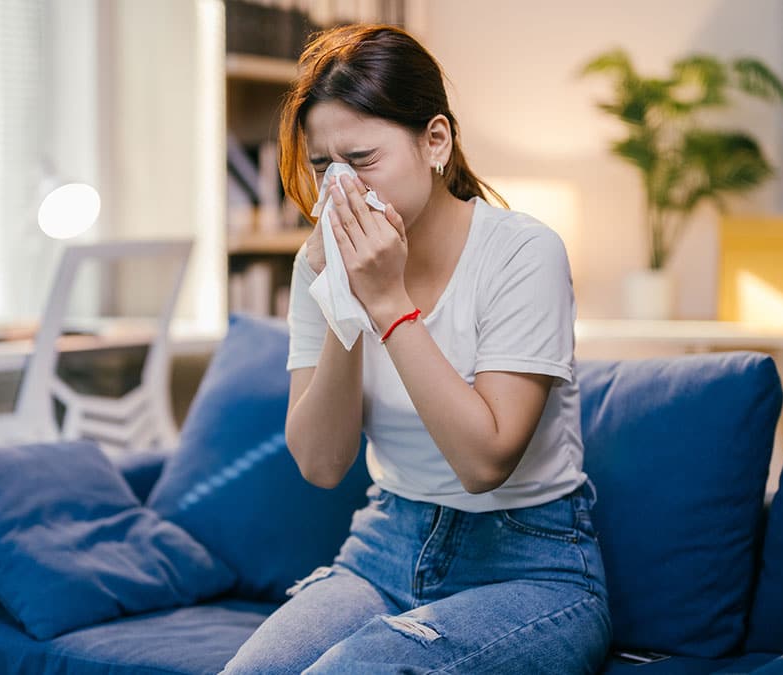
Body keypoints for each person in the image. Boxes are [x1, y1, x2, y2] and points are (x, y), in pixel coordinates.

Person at [222, 24, 610, 675]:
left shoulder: (523, 252)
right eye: (324, 167)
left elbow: (485, 460)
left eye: (363, 160)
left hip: (532, 564)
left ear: (435, 141)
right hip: (383, 546)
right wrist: (341, 296)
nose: (340, 190)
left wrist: (387, 302)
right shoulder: (316, 266)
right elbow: (321, 462)